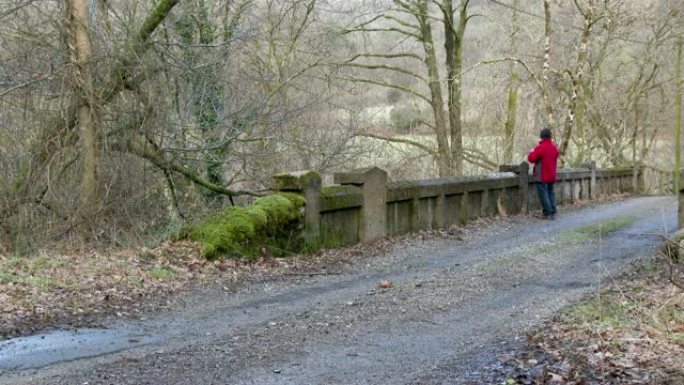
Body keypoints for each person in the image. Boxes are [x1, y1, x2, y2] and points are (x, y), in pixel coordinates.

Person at [527, 128, 559, 220]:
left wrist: (531, 152)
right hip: (552, 175)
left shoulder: (541, 147)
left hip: (542, 176)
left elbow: (531, 158)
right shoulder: (554, 148)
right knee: (551, 193)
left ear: (541, 137)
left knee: (543, 194)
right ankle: (552, 211)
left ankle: (547, 213)